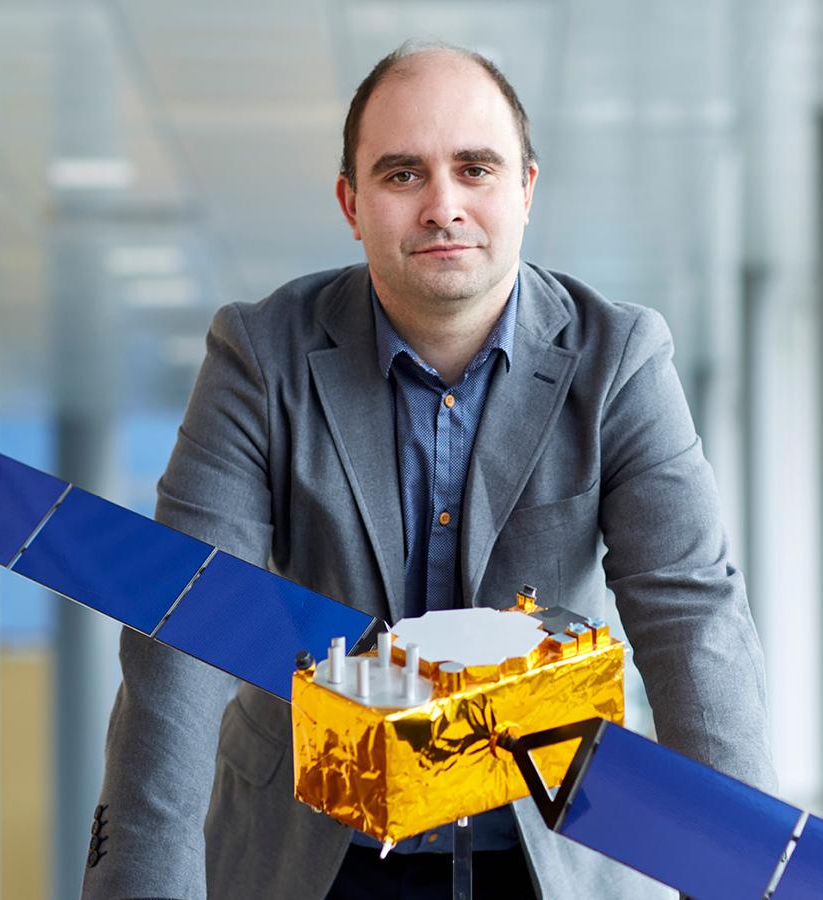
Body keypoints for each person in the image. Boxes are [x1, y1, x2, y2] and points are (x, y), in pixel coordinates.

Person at [80, 41, 775, 900]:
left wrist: (738, 874)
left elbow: (692, 619)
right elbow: (185, 617)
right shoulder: (261, 357)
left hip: (548, 854)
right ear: (352, 203)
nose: (443, 206)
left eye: (475, 169)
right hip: (311, 853)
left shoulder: (620, 360)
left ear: (525, 189)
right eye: (403, 174)